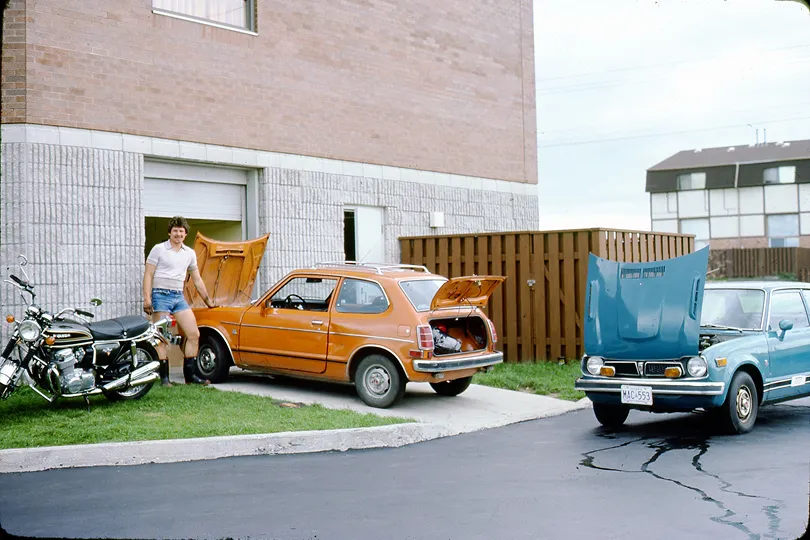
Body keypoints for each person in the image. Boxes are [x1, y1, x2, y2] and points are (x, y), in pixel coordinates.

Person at [143, 216, 216, 386]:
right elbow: (148, 274)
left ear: (185, 234)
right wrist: (147, 298)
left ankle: (190, 376)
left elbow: (197, 279)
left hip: (178, 296)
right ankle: (164, 378)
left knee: (193, 334)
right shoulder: (159, 249)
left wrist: (208, 301)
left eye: (181, 231)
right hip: (160, 295)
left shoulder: (189, 253)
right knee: (161, 337)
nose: (178, 234)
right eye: (175, 231)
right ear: (169, 232)